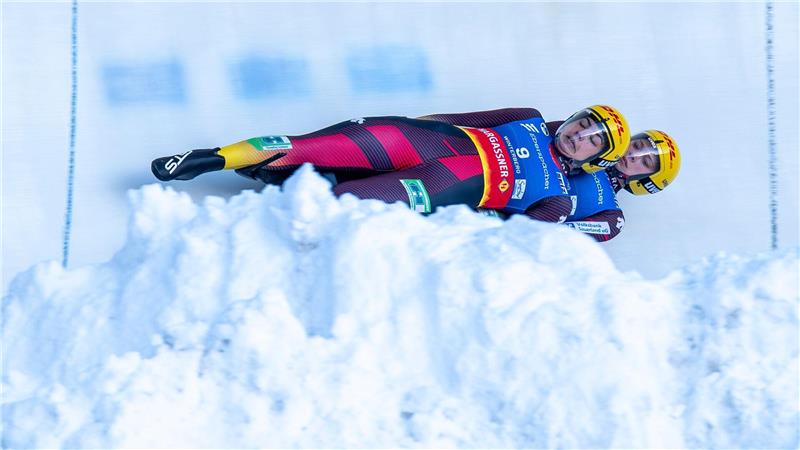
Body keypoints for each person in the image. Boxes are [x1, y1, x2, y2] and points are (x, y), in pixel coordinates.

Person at [152, 106, 630, 224]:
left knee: (346, 204)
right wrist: (401, 123)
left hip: (443, 184)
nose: (579, 135)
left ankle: (254, 216)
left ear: (598, 158)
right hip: (429, 141)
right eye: (582, 123)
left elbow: (513, 233)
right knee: (317, 144)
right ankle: (211, 158)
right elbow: (457, 119)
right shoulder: (526, 118)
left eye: (592, 140)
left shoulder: (559, 197)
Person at [563, 129, 682, 241]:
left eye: (645, 161)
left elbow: (561, 234)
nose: (634, 155)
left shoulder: (613, 218)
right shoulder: (586, 141)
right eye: (636, 146)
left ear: (648, 179)